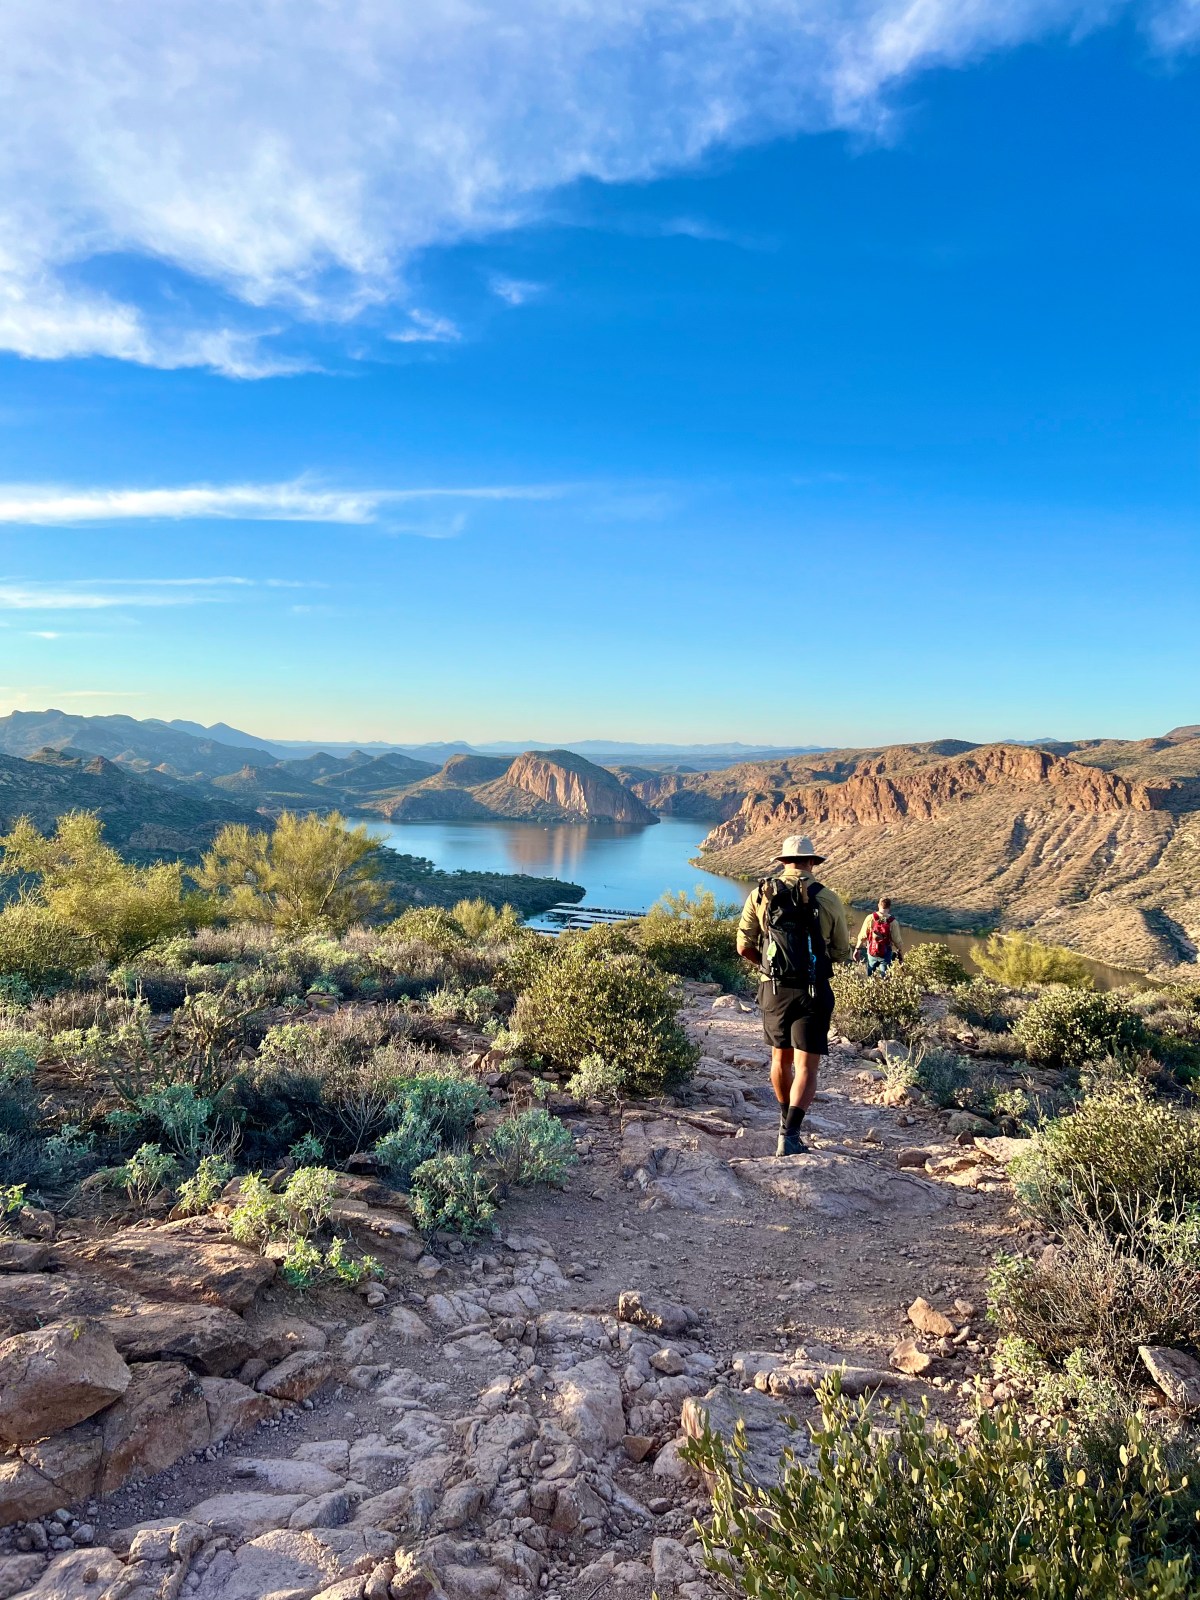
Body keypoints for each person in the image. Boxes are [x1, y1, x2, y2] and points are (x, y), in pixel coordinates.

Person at [736, 834, 850, 1157]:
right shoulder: (828, 899)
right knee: (807, 1068)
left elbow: (743, 945)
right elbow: (841, 951)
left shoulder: (761, 894)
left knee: (779, 1060)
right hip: (813, 991)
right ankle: (791, 1133)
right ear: (812, 863)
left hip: (774, 990)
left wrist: (768, 967)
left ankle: (784, 1121)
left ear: (783, 863)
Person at [854, 897, 904, 976]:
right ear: (889, 907)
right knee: (885, 976)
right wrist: (900, 951)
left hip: (872, 950)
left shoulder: (870, 918)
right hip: (886, 953)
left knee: (869, 972)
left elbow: (862, 936)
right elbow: (897, 940)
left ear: (878, 905)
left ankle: (869, 984)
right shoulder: (893, 922)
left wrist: (857, 949)